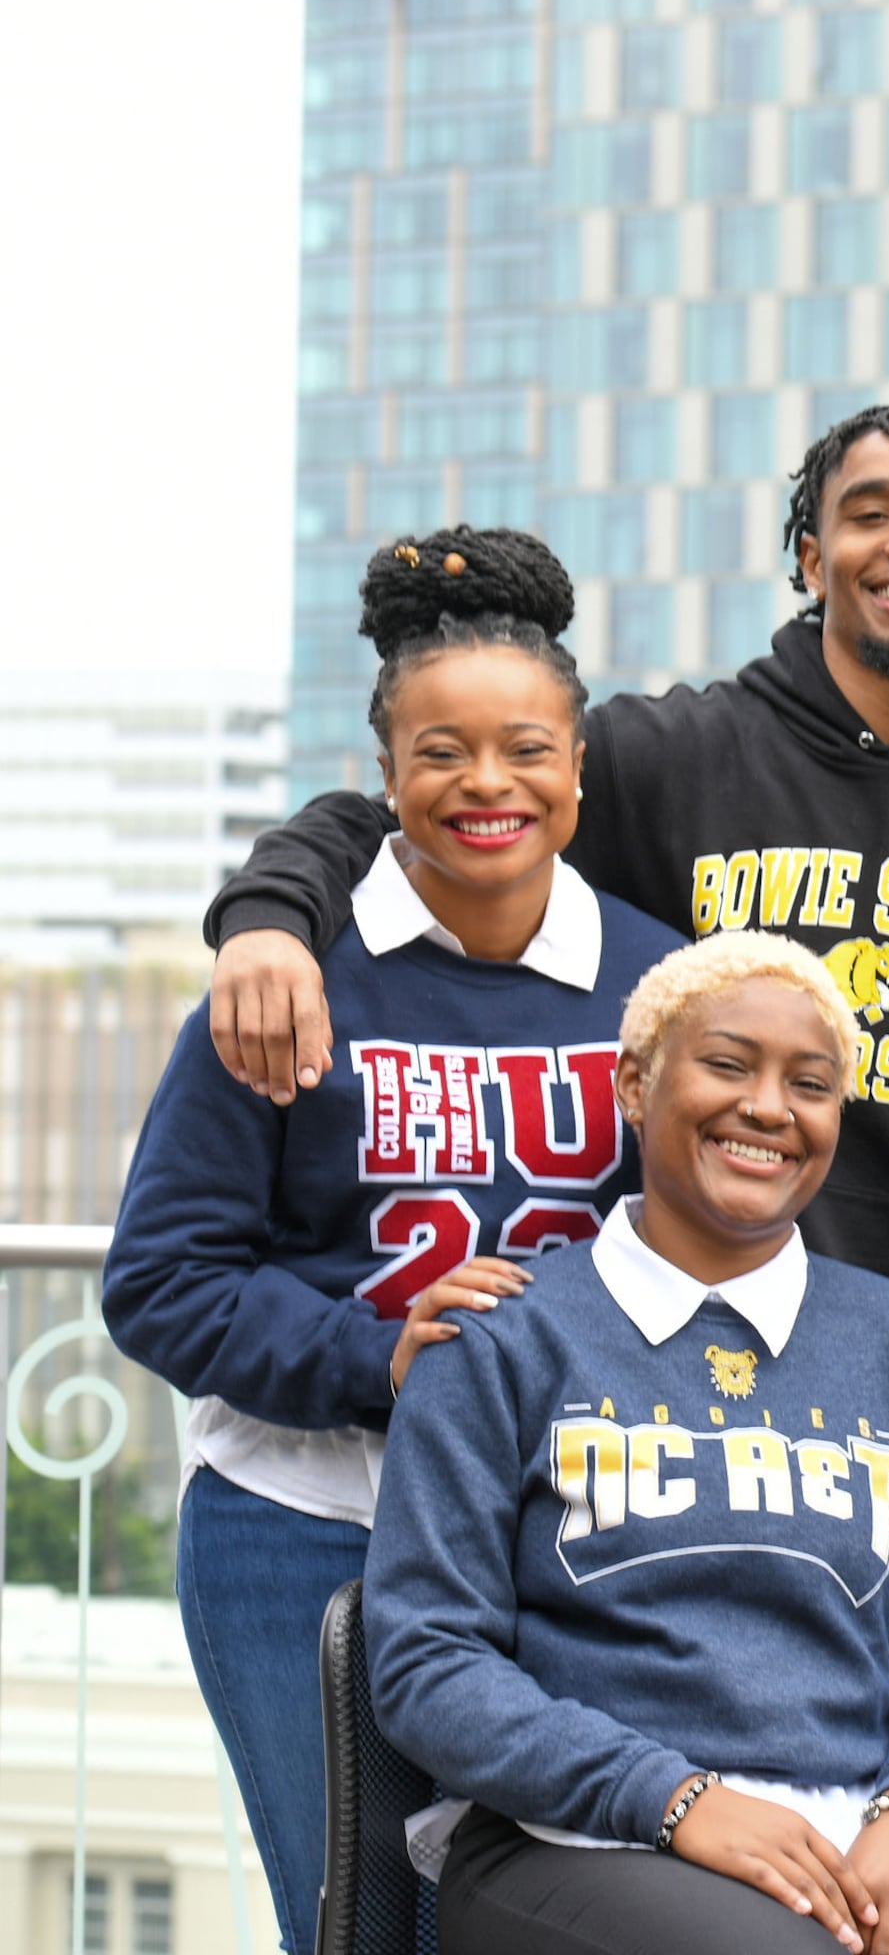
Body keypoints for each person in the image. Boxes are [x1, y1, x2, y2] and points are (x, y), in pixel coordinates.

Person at [198, 404, 889, 1518]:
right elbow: (432, 811)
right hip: (676, 1424)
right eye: (870, 513)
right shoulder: (672, 762)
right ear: (812, 555)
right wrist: (268, 915)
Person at [101, 529, 683, 1954]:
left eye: (526, 750)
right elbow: (160, 1282)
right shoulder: (290, 984)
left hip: (568, 1530)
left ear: (580, 771)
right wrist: (385, 1357)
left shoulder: (662, 984)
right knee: (360, 1924)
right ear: (385, 779)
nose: (487, 785)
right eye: (442, 753)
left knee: (546, 1919)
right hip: (306, 1525)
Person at [366, 931, 889, 1955]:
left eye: (810, 1084)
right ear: (635, 1087)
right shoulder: (502, 1337)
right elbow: (429, 1661)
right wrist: (677, 1799)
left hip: (867, 1827)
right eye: (728, 1064)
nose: (769, 1107)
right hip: (580, 1842)